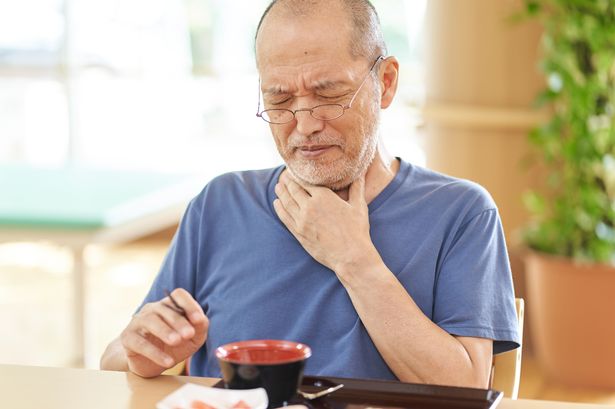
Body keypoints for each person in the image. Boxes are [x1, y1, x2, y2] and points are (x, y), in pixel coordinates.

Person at [101, 0, 520, 388]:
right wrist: (139, 353)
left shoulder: (460, 212)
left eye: (329, 94)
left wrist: (353, 258)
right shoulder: (220, 203)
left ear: (386, 83)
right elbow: (118, 357)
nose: (304, 126)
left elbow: (465, 388)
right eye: (279, 100)